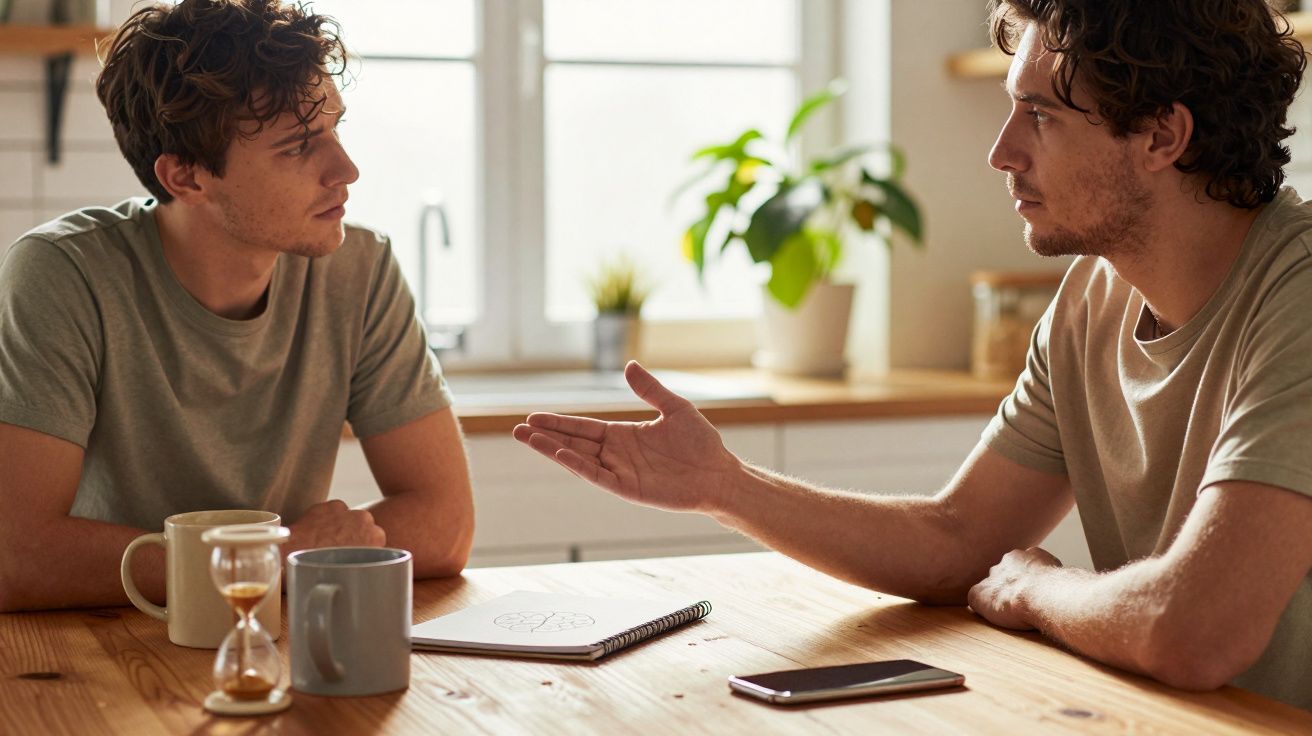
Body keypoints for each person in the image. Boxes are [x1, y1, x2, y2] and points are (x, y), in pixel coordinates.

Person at [514, 0, 1312, 710]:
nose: (1002, 152)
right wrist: (722, 486)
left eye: (1040, 114)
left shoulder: (1298, 297)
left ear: (1162, 135)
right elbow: (956, 539)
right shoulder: (1087, 303)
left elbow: (1196, 631)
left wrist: (1041, 588)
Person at [0, 0, 474, 611]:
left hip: (274, 632)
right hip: (106, 646)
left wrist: (270, 561)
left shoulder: (359, 269)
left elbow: (446, 524)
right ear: (187, 179)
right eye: (300, 146)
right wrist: (278, 554)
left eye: (335, 128)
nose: (347, 169)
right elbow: (16, 557)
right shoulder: (63, 274)